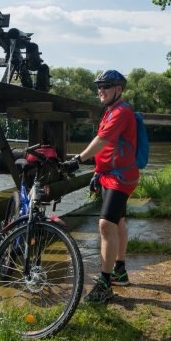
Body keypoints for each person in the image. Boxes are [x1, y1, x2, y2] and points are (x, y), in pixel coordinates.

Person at [70, 69, 139, 303]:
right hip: (110, 175)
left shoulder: (121, 111)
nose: (101, 90)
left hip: (121, 177)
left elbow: (102, 141)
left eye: (106, 86)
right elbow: (107, 149)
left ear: (118, 90)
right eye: (99, 86)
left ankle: (104, 283)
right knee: (118, 222)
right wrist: (97, 172)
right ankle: (120, 269)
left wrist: (78, 159)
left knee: (105, 225)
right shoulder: (109, 111)